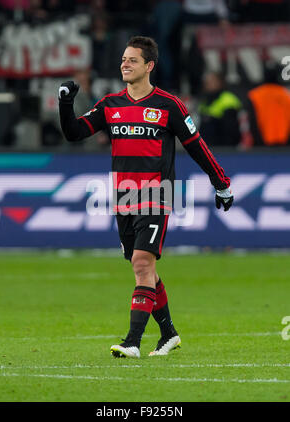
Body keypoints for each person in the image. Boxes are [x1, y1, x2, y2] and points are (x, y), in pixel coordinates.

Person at [58, 36, 234, 359]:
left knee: (141, 263)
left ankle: (132, 341)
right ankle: (168, 334)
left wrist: (220, 182)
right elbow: (75, 133)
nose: (125, 64)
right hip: (123, 197)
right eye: (124, 59)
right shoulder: (111, 105)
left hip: (157, 194)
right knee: (145, 270)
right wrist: (66, 104)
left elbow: (196, 145)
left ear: (149, 66)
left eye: (132, 60)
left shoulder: (169, 105)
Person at [247, 62, 290, 147]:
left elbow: (252, 121)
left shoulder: (254, 95)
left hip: (262, 143)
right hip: (284, 142)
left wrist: (258, 142)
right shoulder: (285, 94)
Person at [198, 71, 242, 147]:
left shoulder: (228, 99)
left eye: (212, 81)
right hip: (207, 148)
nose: (208, 84)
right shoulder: (204, 101)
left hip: (224, 149)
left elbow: (231, 131)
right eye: (206, 82)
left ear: (220, 82)